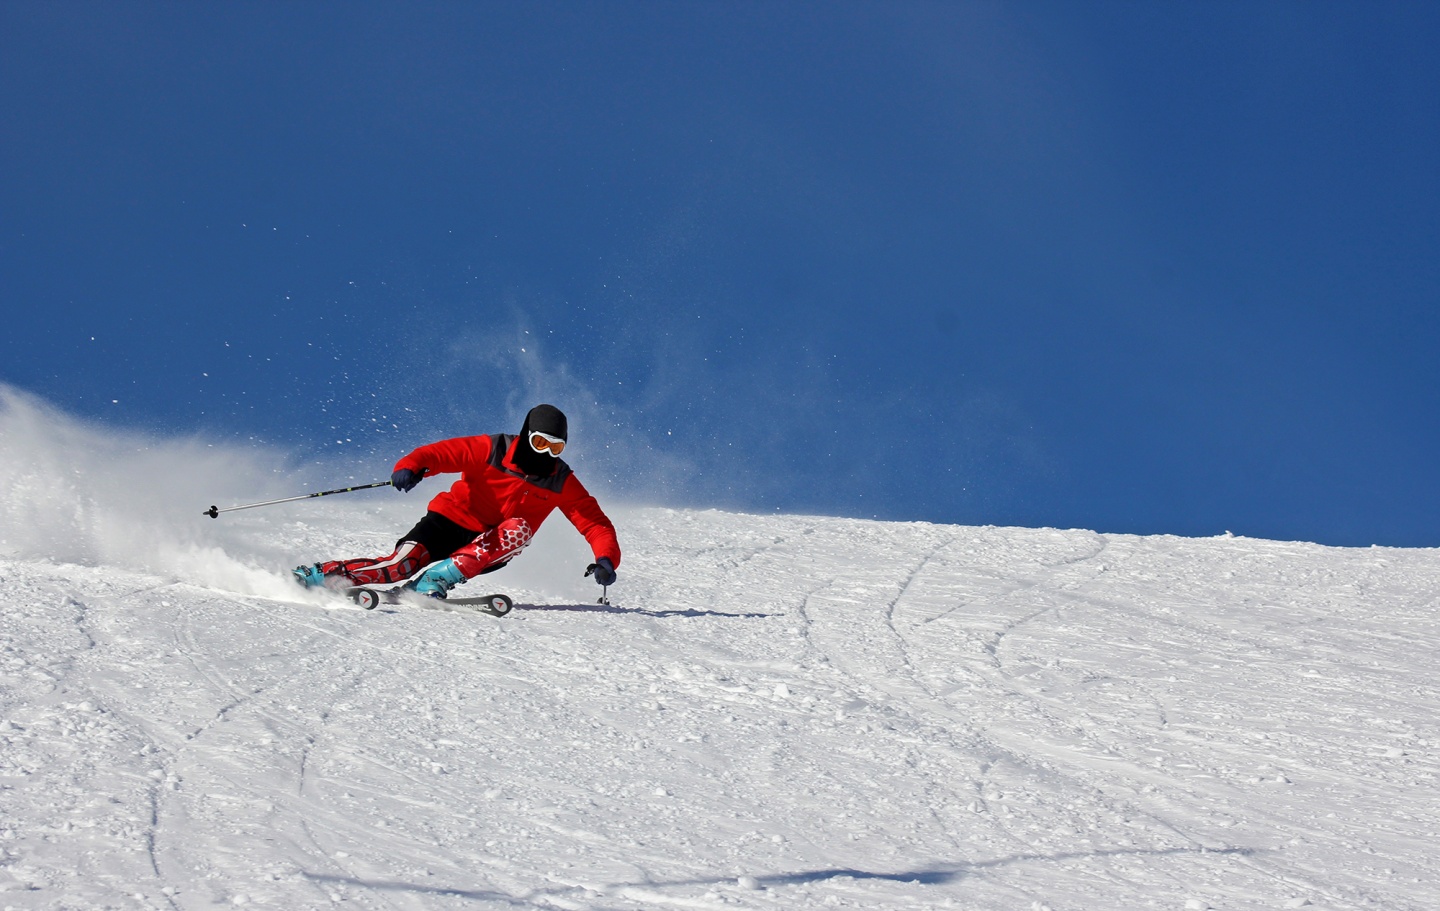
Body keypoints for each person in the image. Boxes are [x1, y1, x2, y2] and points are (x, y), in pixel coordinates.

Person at [292, 404, 619, 599]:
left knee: (519, 529)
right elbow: (442, 453)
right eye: (539, 442)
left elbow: (594, 522)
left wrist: (606, 559)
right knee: (399, 566)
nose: (545, 453)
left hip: (489, 543)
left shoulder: (561, 480)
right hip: (448, 522)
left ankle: (433, 581)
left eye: (555, 447)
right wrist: (410, 466)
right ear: (526, 435)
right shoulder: (494, 449)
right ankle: (319, 576)